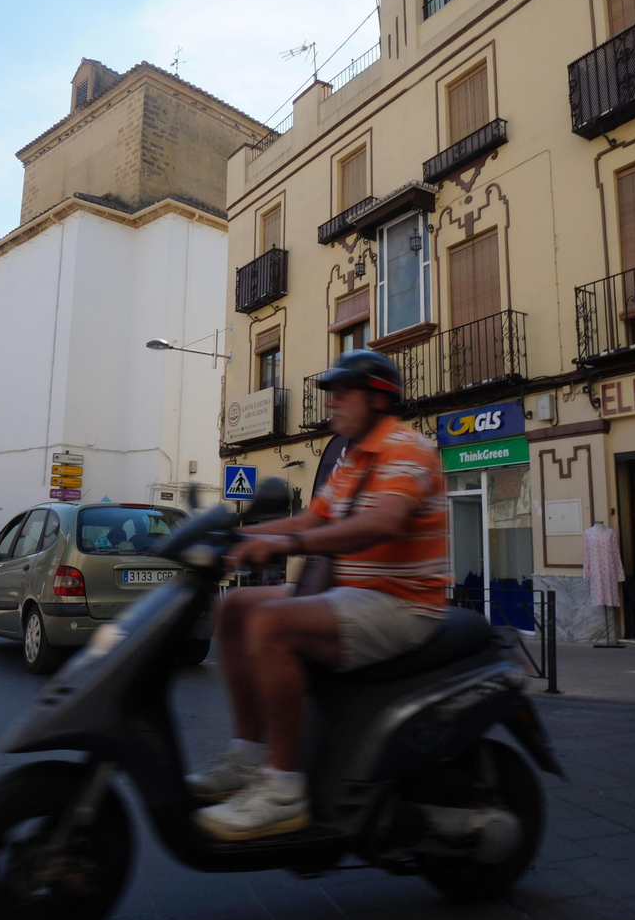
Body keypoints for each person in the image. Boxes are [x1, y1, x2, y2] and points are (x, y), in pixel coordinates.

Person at [188, 350, 449, 841]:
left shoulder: (406, 448)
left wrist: (286, 544)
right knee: (237, 608)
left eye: (343, 392)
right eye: (331, 393)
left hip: (402, 604)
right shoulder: (352, 457)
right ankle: (247, 756)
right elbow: (312, 519)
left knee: (271, 625)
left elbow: (383, 522)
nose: (332, 401)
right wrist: (237, 539)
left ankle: (284, 789)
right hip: (355, 596)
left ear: (377, 399)